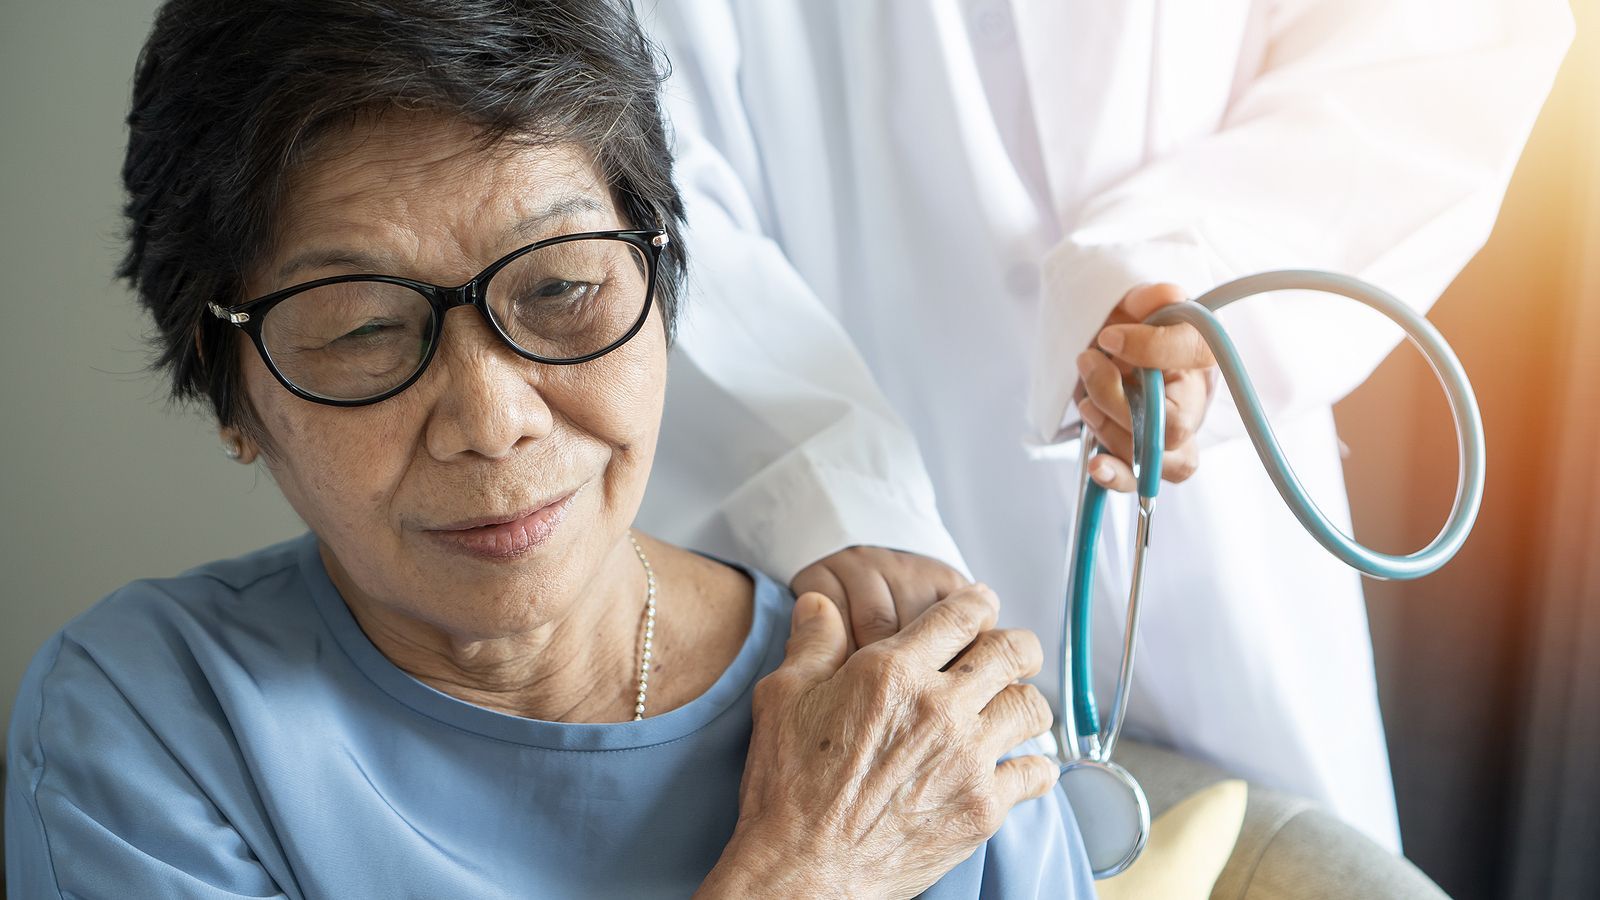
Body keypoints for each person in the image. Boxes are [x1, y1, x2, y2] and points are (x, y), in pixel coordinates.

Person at [1, 2, 1096, 896]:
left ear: (660, 283)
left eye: (562, 288)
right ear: (229, 387)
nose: (490, 419)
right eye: (364, 328)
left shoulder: (906, 717)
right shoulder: (154, 718)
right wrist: (807, 874)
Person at [635, 0, 1573, 850]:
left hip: (1222, 493)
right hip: (851, 554)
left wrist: (1194, 264)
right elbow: (642, 162)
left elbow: (1435, 42)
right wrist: (824, 485)